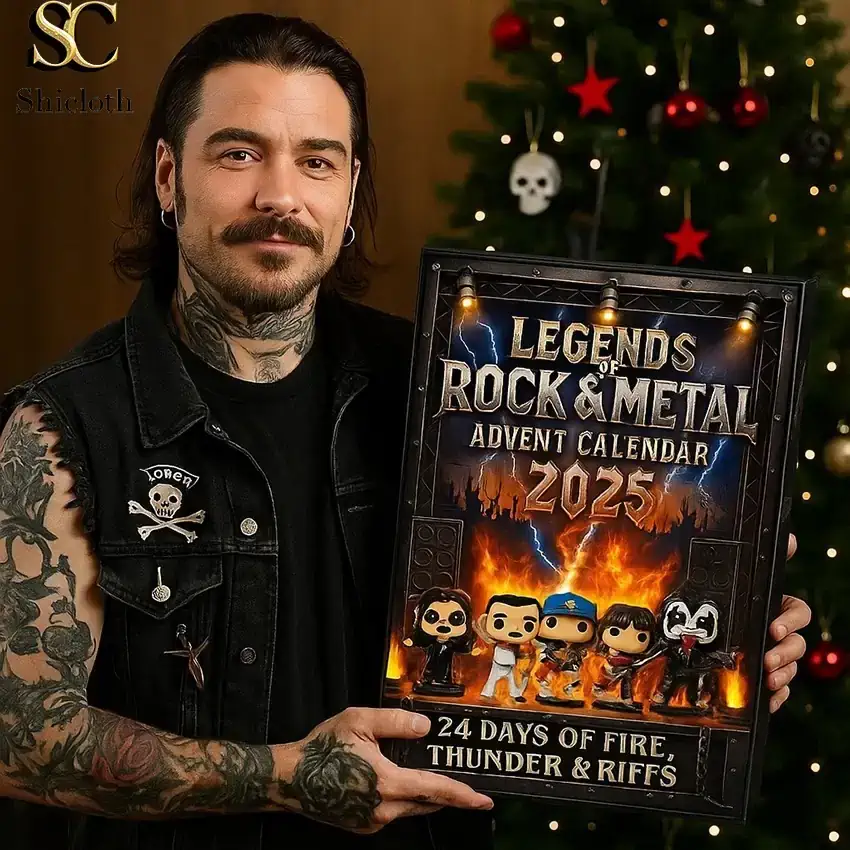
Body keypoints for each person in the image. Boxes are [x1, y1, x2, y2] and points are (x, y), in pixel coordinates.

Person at [0, 13, 811, 850]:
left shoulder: (462, 393)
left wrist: (728, 635)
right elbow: (18, 737)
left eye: (317, 161)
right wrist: (288, 779)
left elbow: (585, 577)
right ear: (169, 178)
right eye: (239, 153)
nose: (279, 195)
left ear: (350, 192)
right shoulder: (61, 427)